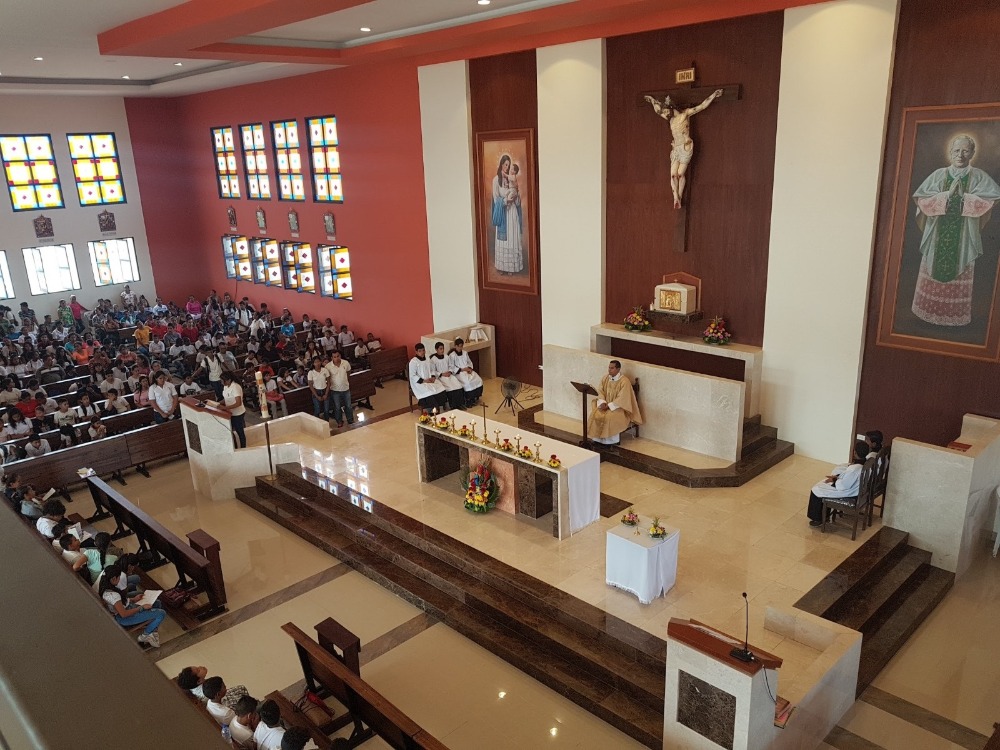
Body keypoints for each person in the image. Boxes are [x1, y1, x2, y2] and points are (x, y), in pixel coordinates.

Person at [910, 134, 1000, 327]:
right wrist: (946, 195)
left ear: (972, 153)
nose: (961, 154)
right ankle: (926, 314)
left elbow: (992, 199)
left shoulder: (978, 176)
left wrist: (966, 198)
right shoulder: (939, 175)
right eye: (957, 150)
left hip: (964, 238)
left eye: (965, 150)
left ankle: (954, 318)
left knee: (960, 269)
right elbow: (921, 199)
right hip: (936, 235)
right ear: (950, 152)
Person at [644, 88, 724, 209]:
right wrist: (652, 100)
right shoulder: (670, 120)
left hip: (685, 146)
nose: (665, 113)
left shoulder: (685, 114)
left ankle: (679, 196)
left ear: (671, 109)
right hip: (676, 147)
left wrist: (713, 95)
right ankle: (676, 198)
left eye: (666, 111)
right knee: (672, 175)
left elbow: (702, 106)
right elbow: (657, 110)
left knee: (680, 174)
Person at [99, 564, 165, 648]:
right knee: (161, 613)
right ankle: (145, 635)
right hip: (125, 618)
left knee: (157, 603)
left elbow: (121, 602)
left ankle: (153, 630)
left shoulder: (107, 588)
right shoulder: (113, 595)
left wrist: (133, 599)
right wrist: (141, 608)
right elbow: (124, 614)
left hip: (128, 608)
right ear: (113, 578)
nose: (119, 579)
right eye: (119, 577)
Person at [806, 440, 868, 526]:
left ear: (855, 453)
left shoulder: (854, 469)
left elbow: (843, 486)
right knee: (823, 484)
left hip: (849, 492)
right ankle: (825, 515)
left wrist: (835, 480)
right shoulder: (866, 463)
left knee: (816, 489)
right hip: (855, 488)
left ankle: (818, 519)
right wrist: (837, 477)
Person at [587, 360, 642, 446]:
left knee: (610, 417)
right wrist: (602, 402)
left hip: (619, 407)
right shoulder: (605, 378)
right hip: (605, 404)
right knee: (595, 413)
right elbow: (600, 391)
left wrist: (609, 406)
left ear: (618, 369)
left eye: (612, 368)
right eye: (609, 367)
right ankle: (597, 439)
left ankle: (610, 441)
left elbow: (623, 398)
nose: (609, 370)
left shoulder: (624, 381)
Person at [491, 154, 524, 275]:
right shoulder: (495, 180)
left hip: (512, 214)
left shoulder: (511, 179)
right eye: (505, 164)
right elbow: (496, 199)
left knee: (512, 239)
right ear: (501, 164)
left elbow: (517, 201)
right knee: (503, 241)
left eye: (508, 165)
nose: (507, 167)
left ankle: (511, 267)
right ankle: (502, 266)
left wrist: (516, 195)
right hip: (503, 213)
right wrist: (505, 201)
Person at [408, 344, 448, 411]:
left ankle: (438, 406)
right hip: (420, 383)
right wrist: (424, 381)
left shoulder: (427, 359)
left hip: (430, 380)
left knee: (440, 387)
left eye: (423, 350)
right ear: (416, 352)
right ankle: (431, 409)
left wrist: (432, 377)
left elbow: (432, 369)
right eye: (420, 351)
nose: (422, 352)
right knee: (428, 392)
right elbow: (412, 376)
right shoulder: (413, 362)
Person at [450, 338, 484, 408]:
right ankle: (468, 399)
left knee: (477, 379)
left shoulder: (465, 353)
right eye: (459, 346)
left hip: (467, 370)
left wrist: (470, 368)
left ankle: (474, 397)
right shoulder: (452, 355)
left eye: (461, 346)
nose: (460, 348)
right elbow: (452, 367)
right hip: (459, 373)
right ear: (455, 346)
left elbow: (469, 362)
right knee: (468, 382)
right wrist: (462, 369)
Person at [431, 342, 464, 410]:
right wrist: (442, 374)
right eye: (440, 349)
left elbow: (451, 366)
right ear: (436, 349)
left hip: (449, 375)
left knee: (458, 385)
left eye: (443, 348)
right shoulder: (433, 359)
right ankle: (452, 405)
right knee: (450, 388)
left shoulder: (446, 356)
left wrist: (449, 371)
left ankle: (459, 404)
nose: (442, 350)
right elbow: (433, 371)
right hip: (441, 377)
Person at [324, 351, 353, 427]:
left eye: (338, 356)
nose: (337, 358)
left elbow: (348, 372)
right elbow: (327, 378)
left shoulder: (345, 363)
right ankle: (339, 421)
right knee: (337, 407)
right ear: (332, 358)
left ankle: (350, 420)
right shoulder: (328, 366)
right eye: (334, 357)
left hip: (346, 388)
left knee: (348, 405)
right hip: (335, 390)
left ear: (340, 356)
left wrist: (345, 380)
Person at [219, 371, 247, 448]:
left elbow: (238, 403)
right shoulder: (226, 386)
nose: (221, 382)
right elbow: (227, 398)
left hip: (238, 413)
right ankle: (234, 447)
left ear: (229, 380)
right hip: (230, 412)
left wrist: (224, 408)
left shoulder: (235, 387)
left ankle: (243, 447)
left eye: (222, 381)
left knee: (239, 431)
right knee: (230, 431)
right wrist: (218, 403)